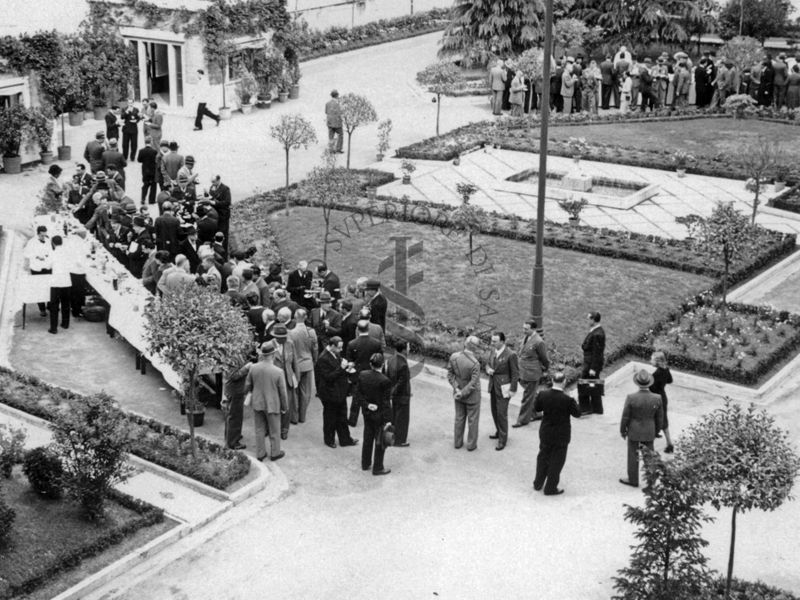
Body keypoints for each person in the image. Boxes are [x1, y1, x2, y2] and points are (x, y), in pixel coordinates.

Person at [532, 371, 581, 496]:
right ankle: (550, 487)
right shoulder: (568, 400)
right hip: (561, 434)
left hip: (546, 431)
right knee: (557, 461)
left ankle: (538, 483)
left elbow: (537, 408)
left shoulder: (542, 394)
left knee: (543, 456)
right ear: (564, 382)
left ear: (553, 381)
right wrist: (576, 400)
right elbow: (577, 414)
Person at [619, 369, 663, 488]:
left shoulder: (631, 397)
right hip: (649, 430)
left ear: (637, 383)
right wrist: (657, 431)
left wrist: (623, 430)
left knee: (633, 455)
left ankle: (633, 479)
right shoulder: (657, 398)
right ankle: (651, 481)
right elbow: (660, 418)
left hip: (634, 429)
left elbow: (625, 416)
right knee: (649, 456)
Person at [246, 341, 288, 462]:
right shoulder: (278, 371)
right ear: (273, 355)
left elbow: (248, 385)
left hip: (258, 403)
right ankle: (275, 453)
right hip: (273, 404)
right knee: (274, 430)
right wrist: (284, 407)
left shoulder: (253, 368)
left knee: (259, 429)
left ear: (262, 355)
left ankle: (260, 453)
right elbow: (283, 393)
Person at [315, 336, 359, 448]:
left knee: (342, 416)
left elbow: (338, 370)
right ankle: (329, 439)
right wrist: (341, 368)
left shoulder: (335, 354)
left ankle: (345, 439)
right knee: (330, 418)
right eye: (339, 348)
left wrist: (347, 368)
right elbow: (328, 377)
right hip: (329, 393)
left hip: (339, 391)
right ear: (332, 346)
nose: (341, 350)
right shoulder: (323, 358)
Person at [357, 353, 393, 476]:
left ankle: (365, 463)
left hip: (367, 413)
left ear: (370, 364)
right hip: (380, 415)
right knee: (380, 440)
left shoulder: (362, 375)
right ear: (382, 365)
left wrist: (367, 405)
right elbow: (386, 402)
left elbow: (358, 395)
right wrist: (389, 419)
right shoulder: (385, 381)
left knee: (367, 438)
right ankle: (378, 467)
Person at [486, 331, 519, 451]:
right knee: (494, 411)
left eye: (495, 341)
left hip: (504, 388)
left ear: (502, 341)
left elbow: (515, 373)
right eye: (492, 340)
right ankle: (498, 431)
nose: (492, 343)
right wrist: (488, 369)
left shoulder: (511, 355)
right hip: (493, 386)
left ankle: (502, 440)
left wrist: (513, 389)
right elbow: (488, 364)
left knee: (501, 413)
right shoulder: (493, 351)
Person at [513, 319, 550, 427]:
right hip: (523, 372)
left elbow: (545, 358)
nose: (523, 330)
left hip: (531, 374)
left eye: (526, 329)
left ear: (533, 329)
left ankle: (522, 420)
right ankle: (537, 413)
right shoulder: (526, 337)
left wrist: (545, 369)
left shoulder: (539, 342)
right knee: (531, 394)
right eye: (523, 328)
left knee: (527, 397)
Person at [448, 336, 481, 451]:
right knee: (473, 421)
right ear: (475, 348)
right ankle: (471, 445)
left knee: (459, 418)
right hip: (472, 396)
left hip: (457, 394)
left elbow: (450, 375)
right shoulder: (475, 363)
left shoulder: (454, 357)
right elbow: (473, 383)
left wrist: (457, 389)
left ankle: (457, 442)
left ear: (465, 344)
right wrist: (462, 393)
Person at [346, 320, 382, 427]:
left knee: (356, 397)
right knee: (373, 396)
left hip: (358, 374)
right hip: (372, 373)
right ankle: (373, 418)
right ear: (368, 329)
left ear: (357, 329)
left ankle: (352, 420)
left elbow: (350, 361)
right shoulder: (376, 343)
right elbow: (380, 359)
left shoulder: (352, 343)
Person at [287, 307, 318, 423]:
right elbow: (315, 348)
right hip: (308, 363)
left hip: (296, 366)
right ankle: (302, 416)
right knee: (306, 392)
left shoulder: (291, 333)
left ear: (295, 317)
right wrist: (314, 360)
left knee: (294, 392)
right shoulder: (311, 332)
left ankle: (294, 417)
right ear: (305, 317)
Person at [272, 323, 300, 439]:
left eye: (285, 336)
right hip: (273, 382)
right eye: (281, 338)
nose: (284, 339)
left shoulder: (290, 344)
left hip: (288, 380)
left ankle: (284, 430)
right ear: (275, 337)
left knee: (287, 406)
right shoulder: (268, 345)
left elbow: (295, 363)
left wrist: (296, 379)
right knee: (274, 406)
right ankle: (272, 429)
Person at [385, 339, 411, 447]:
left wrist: (391, 392)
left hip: (393, 393)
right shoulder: (403, 363)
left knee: (395, 416)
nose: (409, 349)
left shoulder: (390, 359)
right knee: (402, 418)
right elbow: (402, 382)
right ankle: (400, 440)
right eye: (408, 347)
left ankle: (393, 436)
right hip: (402, 395)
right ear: (404, 350)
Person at [579, 311, 606, 414]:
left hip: (590, 365)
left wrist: (593, 368)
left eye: (589, 318)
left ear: (593, 320)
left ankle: (585, 408)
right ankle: (596, 408)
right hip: (590, 364)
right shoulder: (596, 331)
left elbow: (597, 353)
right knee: (593, 385)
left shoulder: (597, 334)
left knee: (584, 384)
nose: (587, 320)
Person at [24, 225, 53, 317]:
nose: (44, 236)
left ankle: (49, 305)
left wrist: (48, 257)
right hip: (37, 267)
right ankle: (42, 309)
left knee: (49, 287)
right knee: (39, 288)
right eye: (42, 234)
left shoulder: (48, 240)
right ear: (39, 233)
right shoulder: (32, 242)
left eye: (45, 234)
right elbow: (26, 253)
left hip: (47, 267)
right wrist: (37, 256)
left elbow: (51, 251)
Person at [223, 359, 251, 450]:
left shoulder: (234, 353)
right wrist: (246, 368)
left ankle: (231, 436)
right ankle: (233, 442)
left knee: (233, 415)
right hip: (234, 391)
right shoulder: (232, 356)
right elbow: (234, 376)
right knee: (235, 416)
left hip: (234, 390)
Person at [649, 351, 673, 453]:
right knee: (664, 420)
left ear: (657, 361)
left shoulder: (656, 374)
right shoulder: (666, 370)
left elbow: (651, 387)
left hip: (656, 398)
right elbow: (670, 380)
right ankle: (669, 444)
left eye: (652, 359)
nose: (651, 361)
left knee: (653, 419)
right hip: (663, 397)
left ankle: (650, 446)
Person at [47, 235, 72, 334]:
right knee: (66, 304)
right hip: (66, 282)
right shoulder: (68, 254)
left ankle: (54, 328)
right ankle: (65, 324)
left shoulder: (52, 253)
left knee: (54, 306)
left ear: (53, 243)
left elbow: (48, 265)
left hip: (56, 282)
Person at [137, 136, 158, 205]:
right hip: (152, 170)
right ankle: (151, 200)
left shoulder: (141, 151)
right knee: (153, 185)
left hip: (145, 170)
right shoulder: (154, 151)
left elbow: (139, 160)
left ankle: (143, 198)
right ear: (151, 142)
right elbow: (156, 161)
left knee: (145, 184)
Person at [325, 89, 344, 154]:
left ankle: (331, 149)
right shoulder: (338, 104)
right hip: (337, 123)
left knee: (331, 136)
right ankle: (338, 148)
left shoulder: (327, 103)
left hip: (329, 122)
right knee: (340, 135)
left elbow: (326, 112)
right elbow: (340, 112)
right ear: (337, 95)